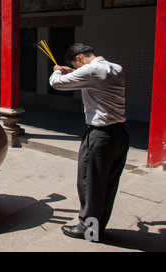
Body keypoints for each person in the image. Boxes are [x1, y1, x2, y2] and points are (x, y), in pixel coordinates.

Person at [49, 43, 130, 241]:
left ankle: (87, 228)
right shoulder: (115, 68)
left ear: (79, 58)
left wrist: (58, 71)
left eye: (76, 66)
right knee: (108, 184)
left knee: (90, 183)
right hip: (120, 135)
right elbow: (87, 76)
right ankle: (97, 228)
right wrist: (74, 71)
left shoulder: (90, 71)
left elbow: (57, 84)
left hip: (100, 136)